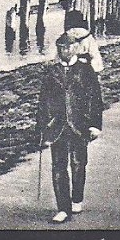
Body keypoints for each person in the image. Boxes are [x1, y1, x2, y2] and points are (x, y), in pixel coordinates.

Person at [36, 36, 104, 224]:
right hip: (57, 126)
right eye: (61, 47)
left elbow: (94, 99)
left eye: (69, 47)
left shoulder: (86, 70)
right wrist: (42, 128)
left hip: (79, 125)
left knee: (78, 163)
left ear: (76, 48)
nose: (65, 50)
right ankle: (63, 208)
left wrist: (95, 125)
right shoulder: (51, 72)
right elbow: (43, 102)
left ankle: (77, 198)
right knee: (58, 166)